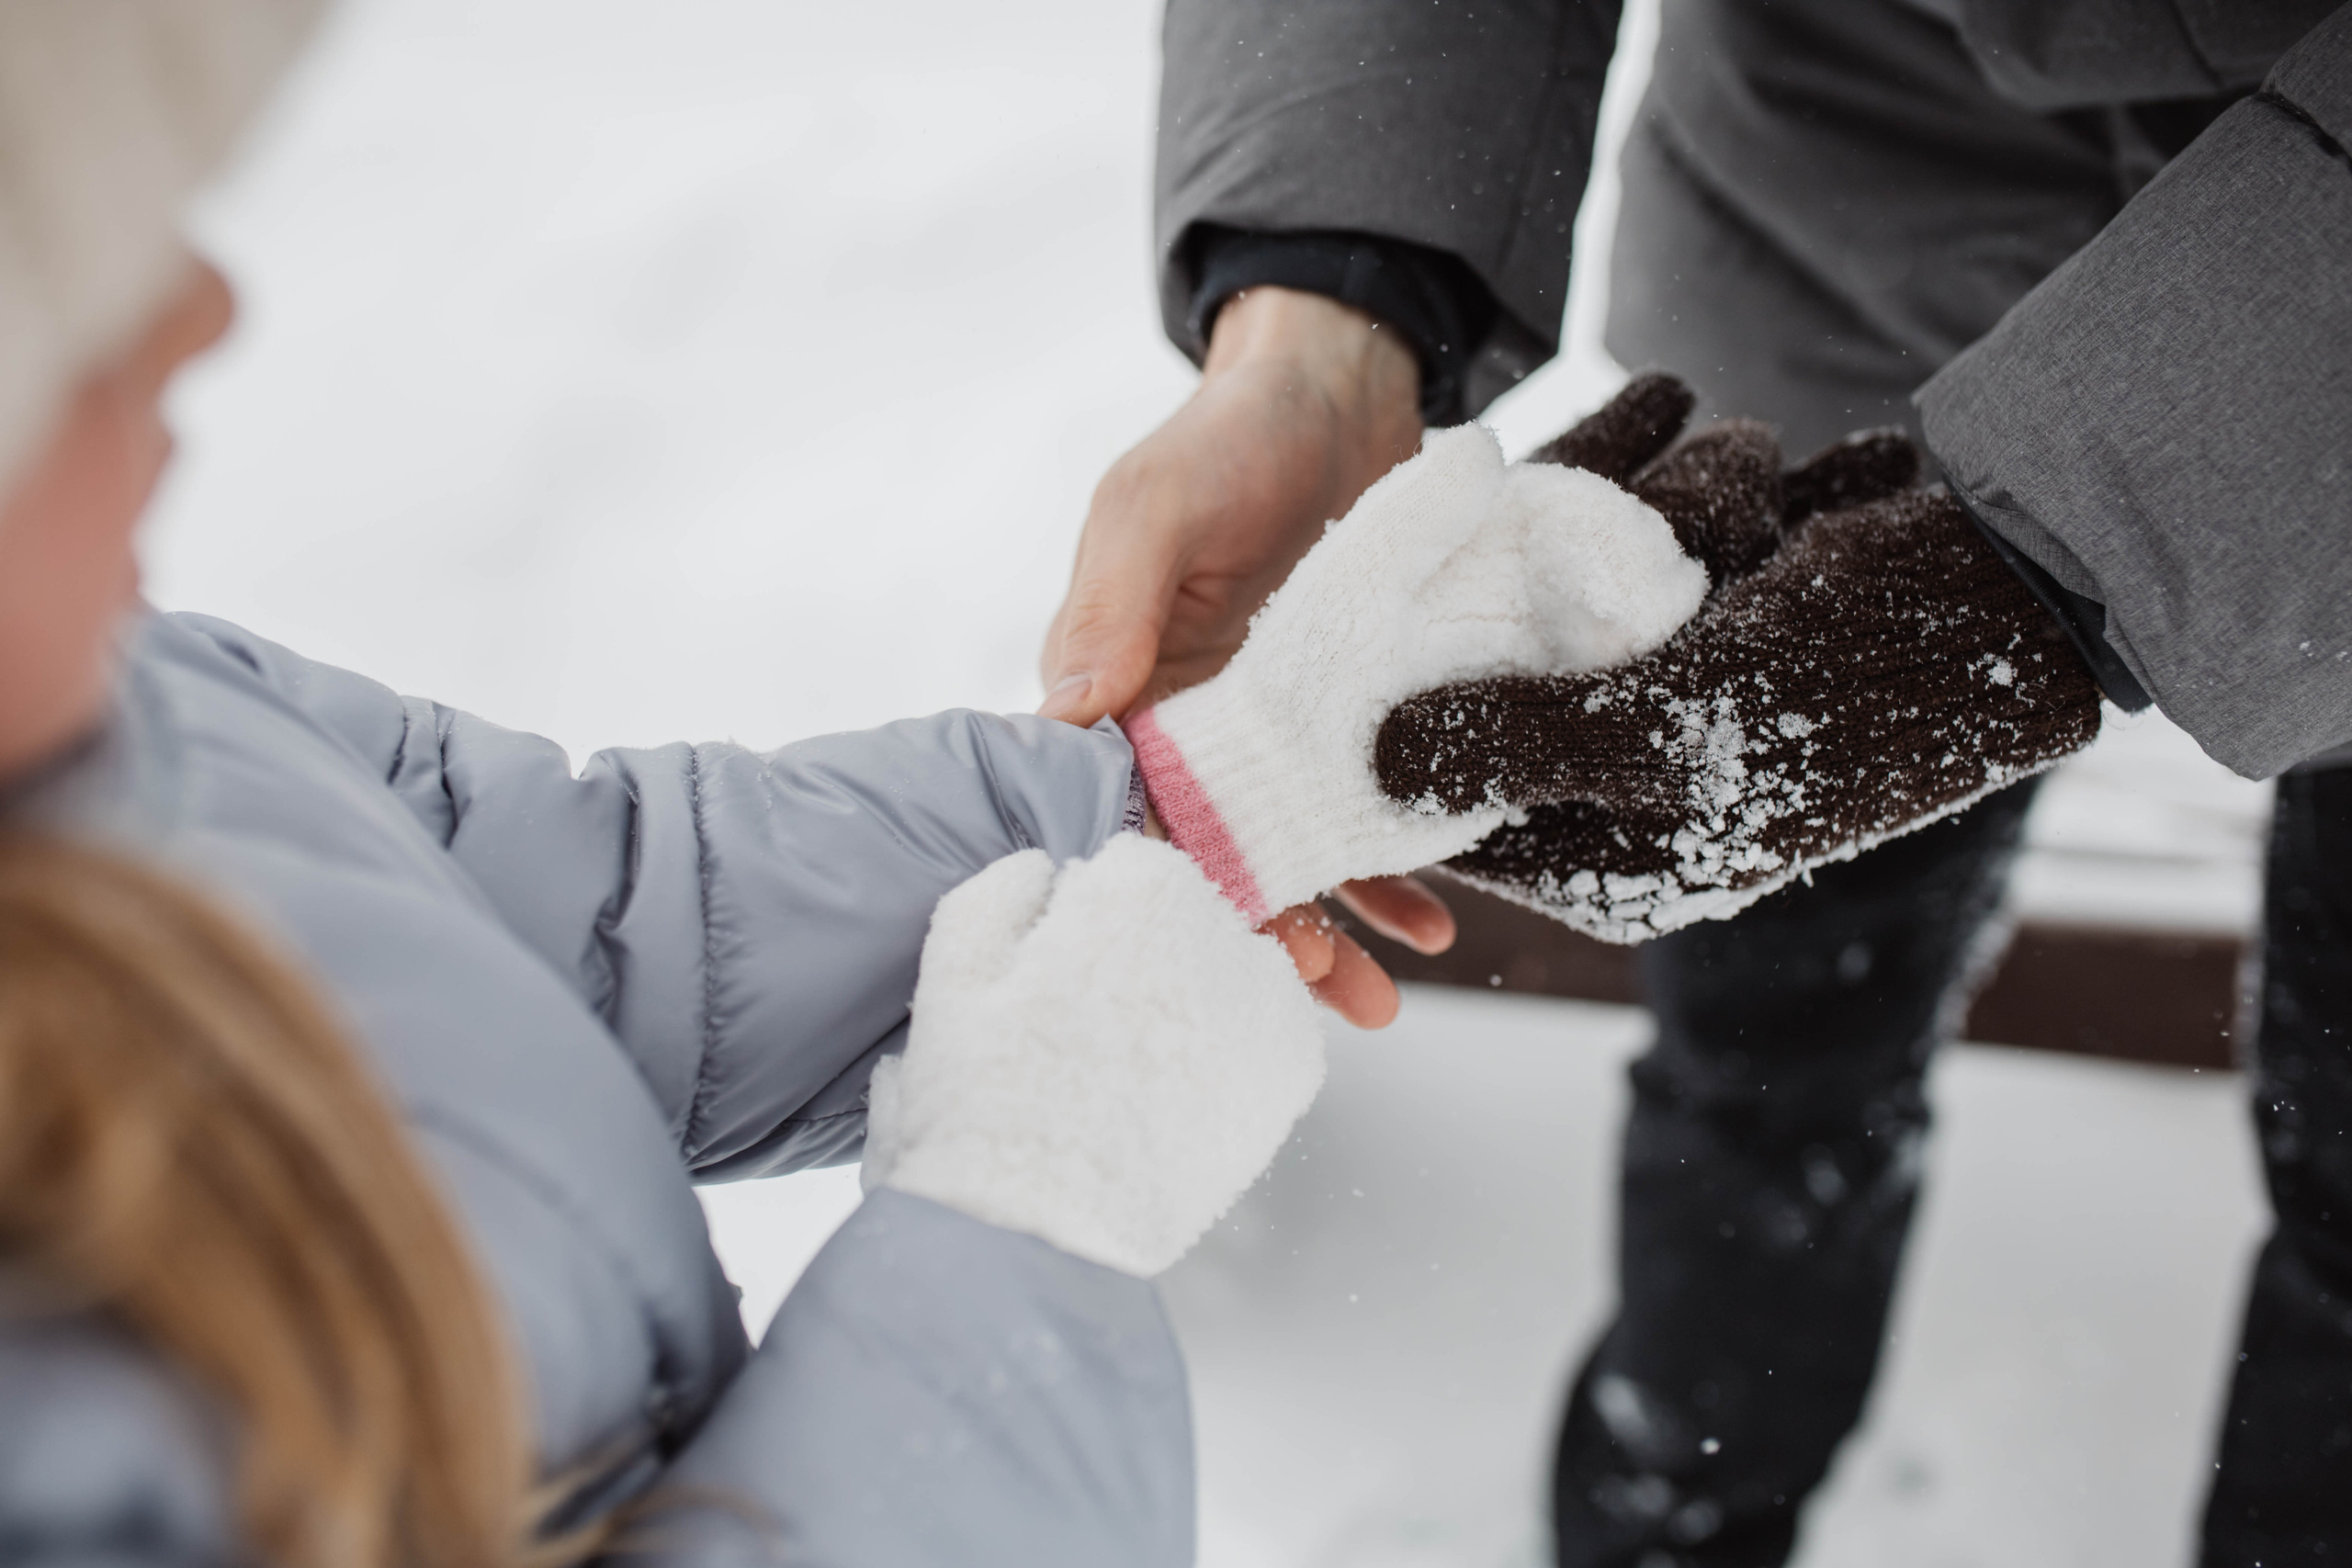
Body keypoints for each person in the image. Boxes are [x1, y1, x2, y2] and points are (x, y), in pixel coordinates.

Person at [0, 6, 1743, 1563]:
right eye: (73, 301)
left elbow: (607, 919)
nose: (201, 308)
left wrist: (1219, 791)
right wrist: (1023, 1229)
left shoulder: (136, 711)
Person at [1044, 1, 2352, 1562]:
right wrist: (1322, 315)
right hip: (1842, 287)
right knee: (1769, 1069)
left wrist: (2038, 585)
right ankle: (1680, 1507)